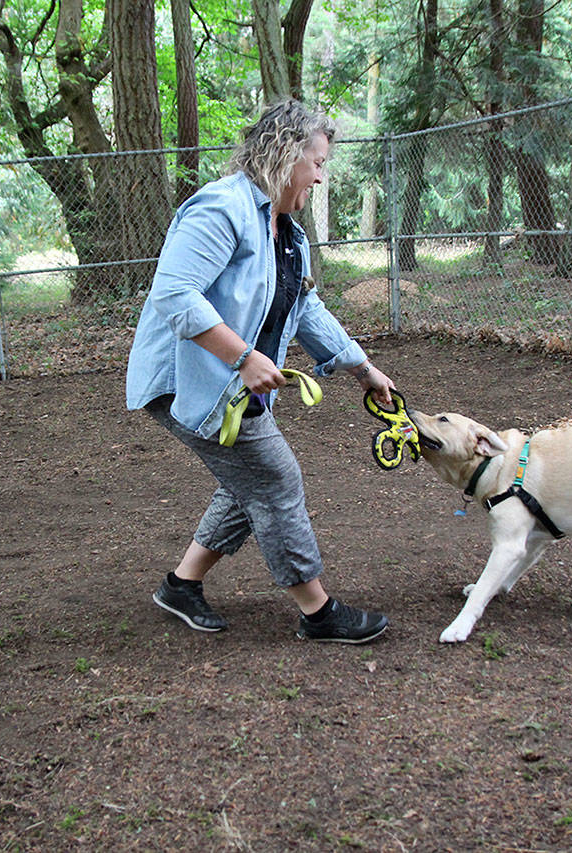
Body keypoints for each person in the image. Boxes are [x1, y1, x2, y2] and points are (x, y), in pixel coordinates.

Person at [126, 99, 394, 643]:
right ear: (284, 153)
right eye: (317, 163)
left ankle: (181, 585)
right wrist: (243, 358)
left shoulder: (286, 232)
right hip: (188, 378)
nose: (321, 177)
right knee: (274, 477)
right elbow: (174, 295)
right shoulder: (221, 210)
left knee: (248, 481)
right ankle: (318, 612)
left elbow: (306, 308)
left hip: (227, 377)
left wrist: (363, 369)